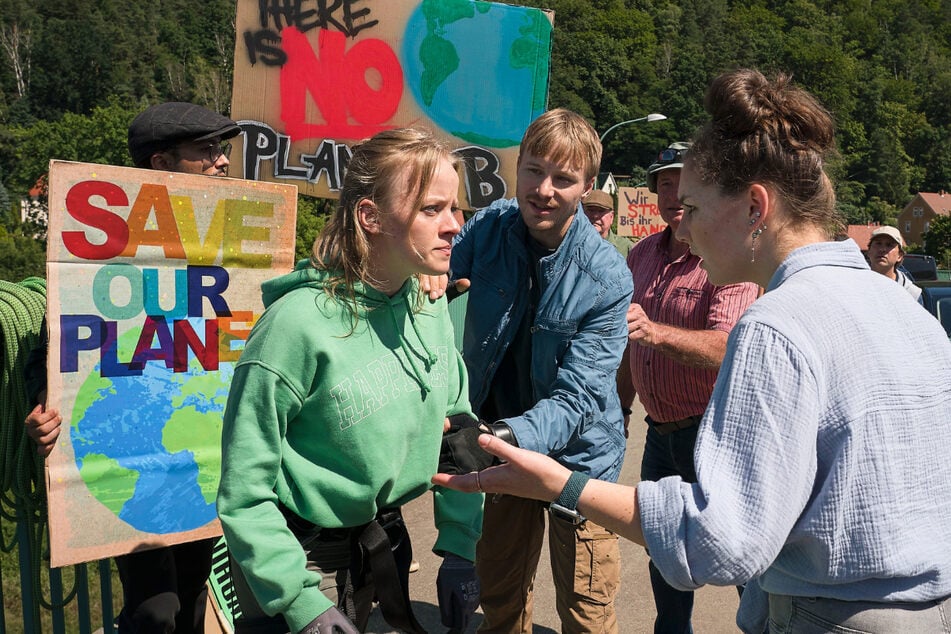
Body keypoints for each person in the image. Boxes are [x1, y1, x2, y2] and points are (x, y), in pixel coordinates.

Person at [433, 69, 951, 634]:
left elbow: (719, 544)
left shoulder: (772, 327)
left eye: (697, 210)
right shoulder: (909, 313)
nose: (687, 231)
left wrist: (561, 484)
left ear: (755, 208)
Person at [216, 128, 483, 634]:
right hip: (295, 564)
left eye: (456, 208)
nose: (455, 226)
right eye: (432, 209)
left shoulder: (427, 307)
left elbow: (459, 433)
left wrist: (460, 547)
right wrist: (300, 603)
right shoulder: (294, 328)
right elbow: (243, 490)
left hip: (377, 549)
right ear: (370, 217)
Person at [24, 101, 242, 634]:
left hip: (200, 446)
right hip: (130, 452)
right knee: (154, 610)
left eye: (221, 150)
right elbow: (65, 338)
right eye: (207, 151)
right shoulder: (101, 249)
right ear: (163, 163)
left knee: (192, 590)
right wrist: (42, 407)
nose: (221, 162)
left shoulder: (231, 248)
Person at [444, 108, 633, 633]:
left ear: (587, 187)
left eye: (563, 178)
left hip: (579, 460)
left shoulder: (606, 277)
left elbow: (578, 399)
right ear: (518, 166)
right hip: (501, 443)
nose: (543, 189)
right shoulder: (489, 229)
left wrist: (498, 436)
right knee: (500, 597)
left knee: (586, 610)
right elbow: (427, 277)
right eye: (534, 170)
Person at [616, 142, 758, 633]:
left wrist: (655, 332)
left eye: (684, 182)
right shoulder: (640, 253)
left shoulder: (721, 256)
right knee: (664, 550)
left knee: (739, 551)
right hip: (659, 435)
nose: (675, 193)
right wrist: (621, 408)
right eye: (665, 182)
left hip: (712, 434)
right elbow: (630, 348)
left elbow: (726, 347)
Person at [866, 225, 922, 302]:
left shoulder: (912, 294)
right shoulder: (855, 286)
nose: (882, 249)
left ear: (900, 256)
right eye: (878, 243)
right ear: (869, 252)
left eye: (889, 245)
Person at [583, 189, 632, 255]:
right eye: (591, 210)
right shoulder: (572, 244)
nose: (595, 216)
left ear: (611, 217)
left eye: (601, 211)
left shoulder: (625, 248)